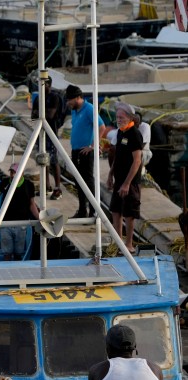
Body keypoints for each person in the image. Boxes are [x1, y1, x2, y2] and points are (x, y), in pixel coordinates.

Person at [106, 102, 144, 254]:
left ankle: (129, 244)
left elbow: (137, 161)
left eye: (121, 117)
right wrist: (110, 174)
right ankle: (118, 241)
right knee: (115, 210)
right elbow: (118, 155)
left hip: (130, 182)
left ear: (129, 117)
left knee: (129, 213)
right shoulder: (120, 132)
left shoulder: (134, 133)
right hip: (119, 179)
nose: (119, 120)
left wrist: (127, 184)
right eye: (117, 117)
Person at [64, 85, 104, 219]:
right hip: (76, 150)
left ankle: (93, 210)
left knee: (87, 180)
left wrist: (93, 146)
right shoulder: (75, 110)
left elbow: (101, 126)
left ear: (77, 98)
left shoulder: (89, 109)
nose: (68, 102)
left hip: (85, 151)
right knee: (78, 181)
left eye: (70, 99)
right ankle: (82, 210)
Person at [0, 162, 39, 260]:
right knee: (7, 253)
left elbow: (32, 204)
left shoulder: (29, 185)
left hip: (21, 224)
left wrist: (39, 219)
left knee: (19, 253)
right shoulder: (5, 182)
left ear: (22, 173)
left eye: (15, 172)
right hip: (6, 224)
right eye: (11, 172)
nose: (13, 175)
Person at [31, 79, 65, 199]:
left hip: (51, 132)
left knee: (54, 161)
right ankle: (46, 186)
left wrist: (40, 112)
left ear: (49, 85)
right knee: (43, 158)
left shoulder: (54, 98)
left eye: (43, 84)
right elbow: (34, 116)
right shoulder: (38, 98)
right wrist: (42, 112)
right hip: (40, 133)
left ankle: (57, 188)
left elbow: (50, 115)